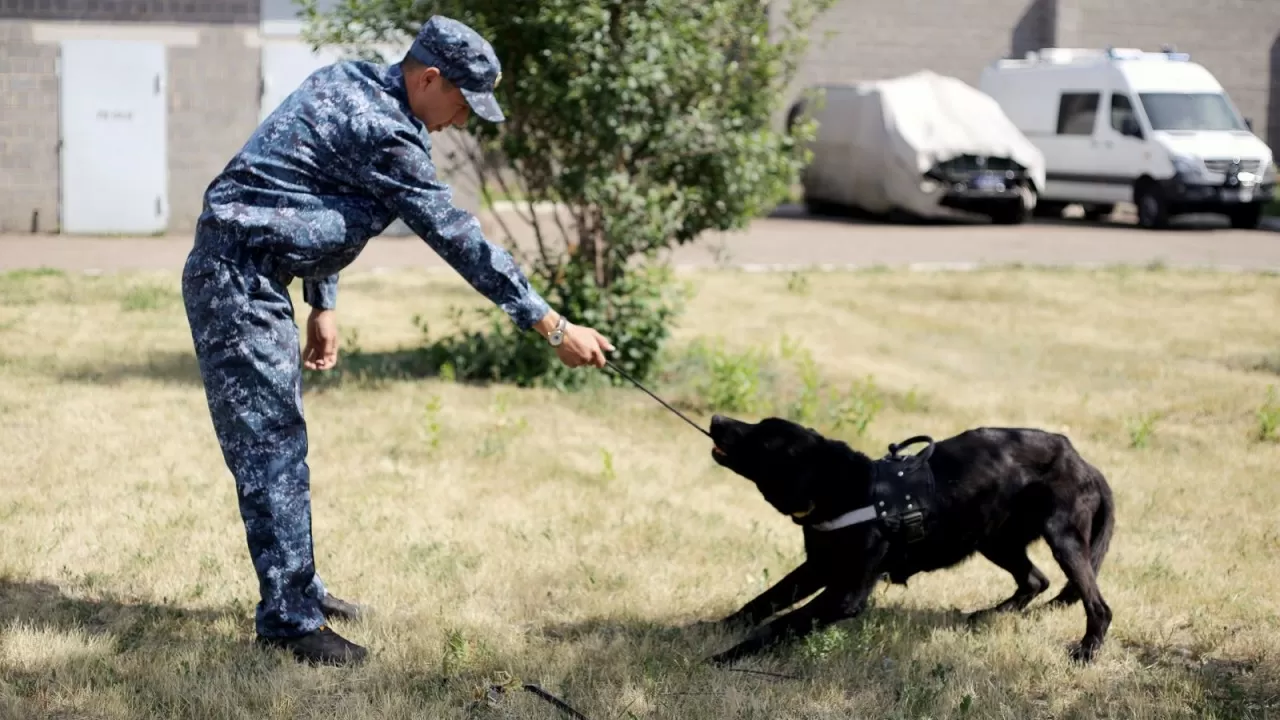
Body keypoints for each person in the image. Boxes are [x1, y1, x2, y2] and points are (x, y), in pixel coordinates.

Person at [180, 14, 614, 666]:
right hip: (238, 281)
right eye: (463, 103)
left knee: (283, 441)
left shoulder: (352, 82)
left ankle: (301, 589)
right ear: (430, 77)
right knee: (271, 448)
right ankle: (290, 624)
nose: (461, 122)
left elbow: (307, 188)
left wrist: (321, 300)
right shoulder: (384, 131)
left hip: (260, 272)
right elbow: (458, 237)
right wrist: (549, 324)